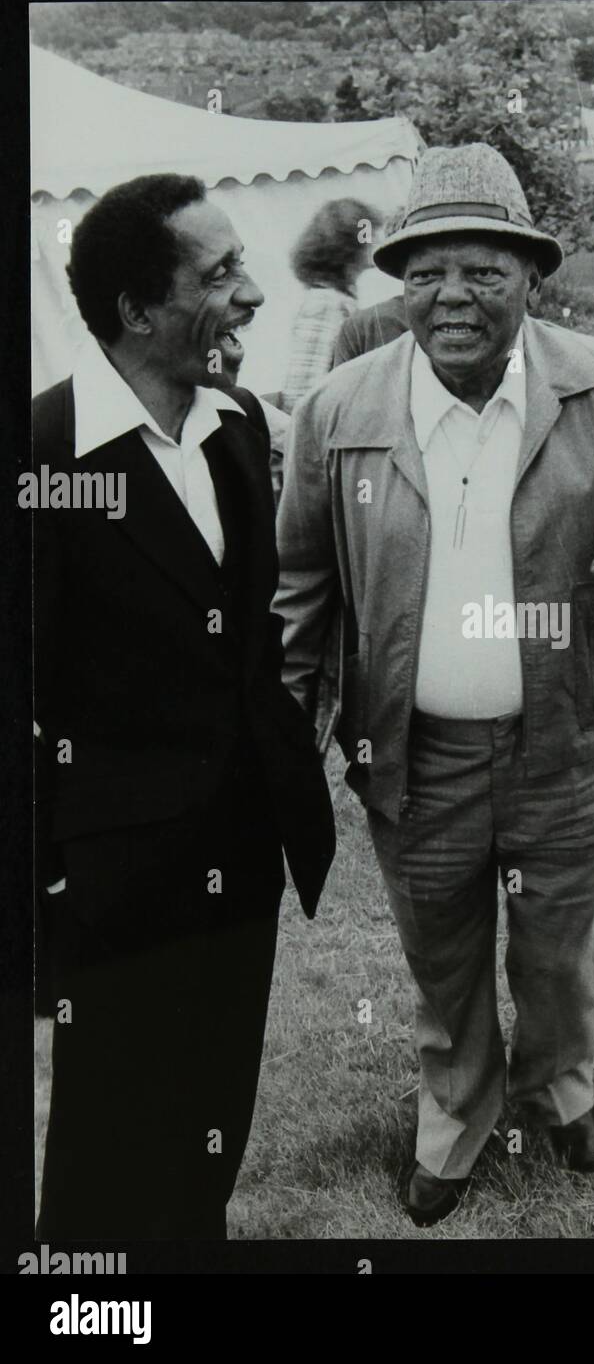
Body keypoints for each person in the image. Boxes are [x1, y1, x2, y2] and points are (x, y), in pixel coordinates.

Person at [275, 143, 594, 1227]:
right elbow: (302, 582)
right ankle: (458, 1108)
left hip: (566, 745)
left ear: (533, 276)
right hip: (415, 753)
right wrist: (285, 727)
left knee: (555, 946)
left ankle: (560, 1086)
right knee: (440, 953)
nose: (452, 295)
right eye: (426, 270)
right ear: (399, 282)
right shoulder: (339, 410)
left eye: (483, 270)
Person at [33, 173, 337, 1239]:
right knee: (106, 1150)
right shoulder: (48, 457)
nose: (254, 293)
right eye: (220, 274)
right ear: (135, 310)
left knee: (211, 1118)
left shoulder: (240, 422)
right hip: (116, 877)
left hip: (242, 846)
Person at [280, 198, 382, 412]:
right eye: (366, 233)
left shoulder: (340, 299)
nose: (375, 239)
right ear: (345, 244)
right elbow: (305, 390)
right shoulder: (325, 303)